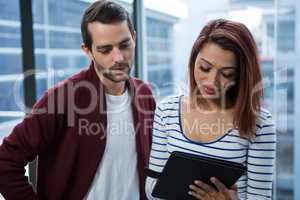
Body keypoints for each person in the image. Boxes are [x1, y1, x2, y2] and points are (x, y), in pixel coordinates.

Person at [0, 1, 155, 199]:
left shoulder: (145, 95)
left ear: (134, 38)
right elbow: (5, 161)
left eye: (124, 45)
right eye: (105, 50)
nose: (118, 58)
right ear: (88, 50)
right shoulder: (62, 98)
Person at [145, 19, 276, 200]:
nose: (211, 81)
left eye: (226, 73)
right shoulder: (166, 110)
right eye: (204, 67)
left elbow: (260, 197)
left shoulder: (259, 123)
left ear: (241, 74)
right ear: (193, 60)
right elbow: (152, 189)